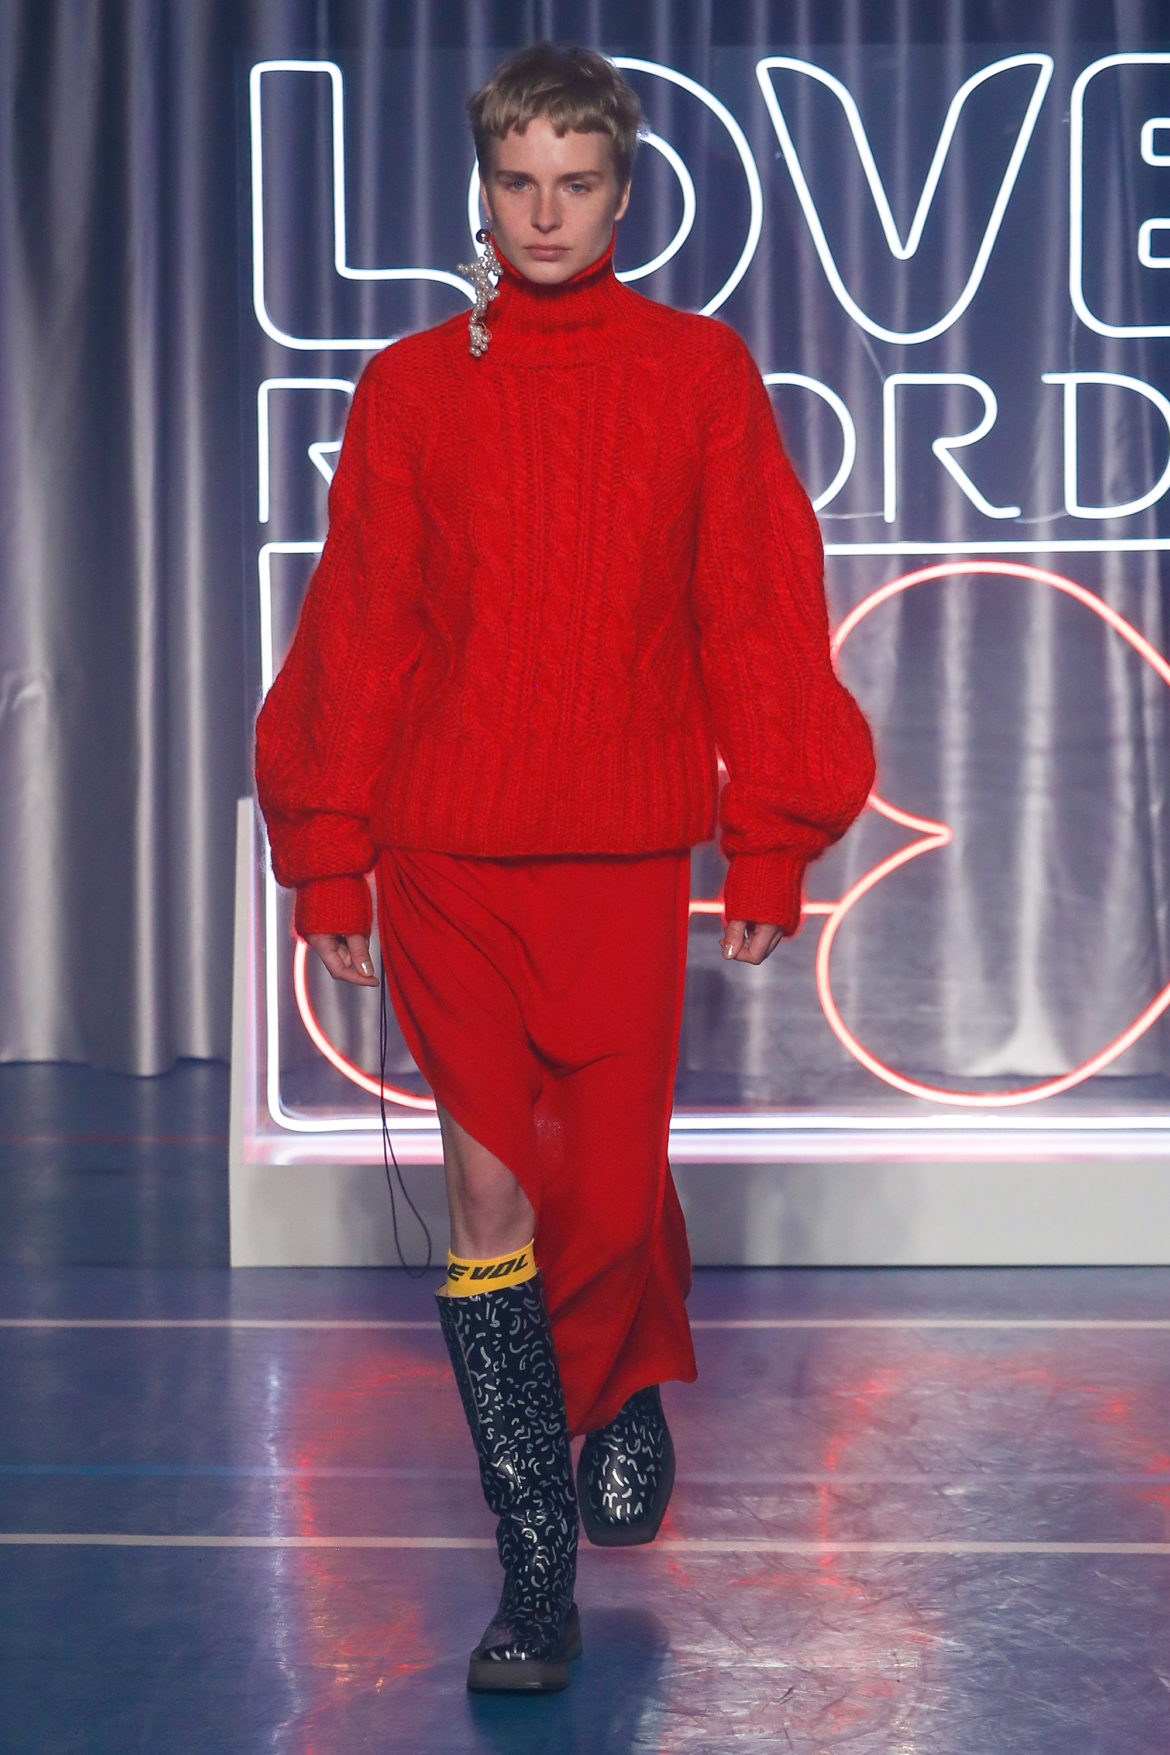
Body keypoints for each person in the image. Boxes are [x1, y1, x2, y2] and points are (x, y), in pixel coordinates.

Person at [255, 41, 875, 1695]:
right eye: (518, 182)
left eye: (575, 183)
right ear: (484, 190)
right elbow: (362, 625)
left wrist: (770, 837)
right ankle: (531, 1568)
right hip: (444, 850)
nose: (544, 213)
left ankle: (626, 1378)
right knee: (491, 1191)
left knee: (605, 1182)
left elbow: (753, 606)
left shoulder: (695, 375)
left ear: (620, 195)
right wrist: (328, 856)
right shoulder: (409, 388)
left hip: (616, 849)